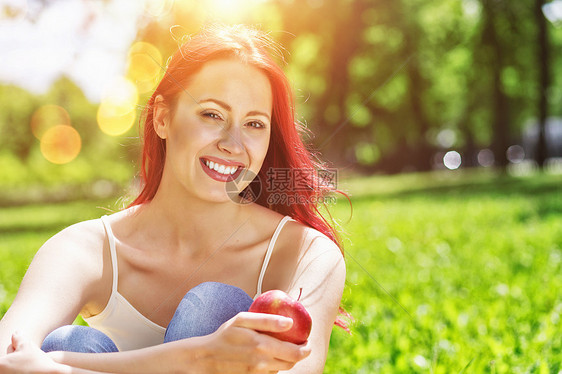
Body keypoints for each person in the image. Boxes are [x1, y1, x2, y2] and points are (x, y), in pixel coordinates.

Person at [0, 24, 347, 373]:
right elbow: (5, 358)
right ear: (163, 118)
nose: (233, 144)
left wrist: (59, 367)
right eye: (212, 114)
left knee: (214, 305)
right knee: (71, 342)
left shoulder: (306, 253)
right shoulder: (86, 249)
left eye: (255, 124)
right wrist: (203, 357)